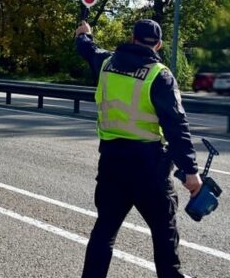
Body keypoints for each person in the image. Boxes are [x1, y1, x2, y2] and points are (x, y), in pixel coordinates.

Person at [76, 19, 201, 278]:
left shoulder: (107, 64)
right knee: (164, 238)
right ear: (158, 44)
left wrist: (84, 35)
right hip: (149, 170)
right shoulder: (160, 75)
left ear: (132, 38)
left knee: (104, 234)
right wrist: (190, 170)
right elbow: (176, 125)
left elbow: (88, 50)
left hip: (112, 164)